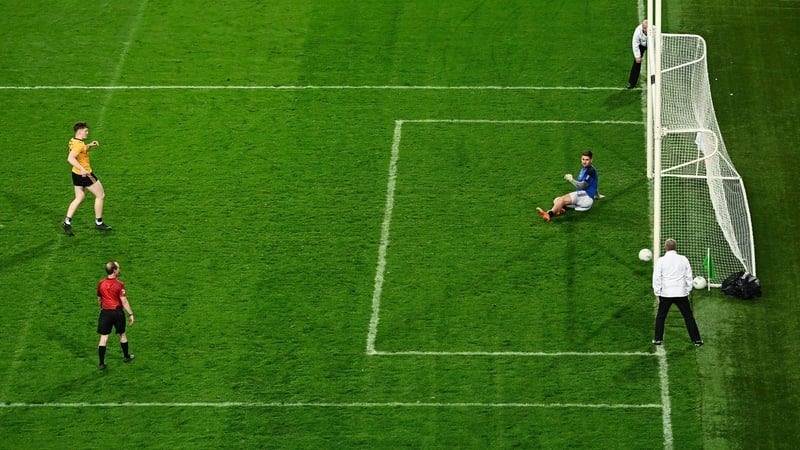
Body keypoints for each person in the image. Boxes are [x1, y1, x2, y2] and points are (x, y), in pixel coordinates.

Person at [61, 122, 112, 236]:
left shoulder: (74, 141)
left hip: (75, 173)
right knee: (100, 195)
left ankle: (67, 222)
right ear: (80, 132)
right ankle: (99, 222)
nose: (87, 133)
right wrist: (82, 169)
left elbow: (80, 150)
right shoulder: (78, 145)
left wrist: (89, 145)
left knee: (79, 197)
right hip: (85, 174)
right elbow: (70, 158)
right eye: (85, 131)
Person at [651, 239, 703, 346]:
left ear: (665, 248)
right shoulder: (683, 259)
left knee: (661, 317)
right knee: (688, 317)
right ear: (675, 247)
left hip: (666, 294)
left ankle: (657, 339)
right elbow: (689, 276)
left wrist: (657, 293)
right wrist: (687, 290)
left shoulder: (661, 261)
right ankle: (697, 340)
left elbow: (656, 278)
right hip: (681, 293)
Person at [536, 150, 599, 222]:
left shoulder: (591, 171)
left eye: (587, 160)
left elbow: (583, 186)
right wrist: (597, 195)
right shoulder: (586, 169)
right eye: (583, 159)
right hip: (582, 197)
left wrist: (571, 180)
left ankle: (549, 214)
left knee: (561, 200)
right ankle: (559, 210)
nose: (584, 162)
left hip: (585, 197)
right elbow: (595, 183)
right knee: (557, 199)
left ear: (591, 160)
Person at [97, 261, 135, 370]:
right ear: (114, 271)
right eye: (118, 268)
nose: (119, 269)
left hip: (105, 313)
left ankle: (101, 363)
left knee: (103, 338)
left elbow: (99, 298)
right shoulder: (119, 284)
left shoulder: (101, 283)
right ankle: (126, 356)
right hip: (117, 313)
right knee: (122, 334)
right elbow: (124, 301)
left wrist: (103, 306)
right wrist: (131, 314)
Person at [627, 19, 648, 89]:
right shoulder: (638, 31)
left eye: (646, 28)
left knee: (655, 63)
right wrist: (637, 56)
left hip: (652, 45)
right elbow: (635, 43)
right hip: (641, 45)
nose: (644, 29)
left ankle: (656, 80)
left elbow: (659, 43)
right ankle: (631, 82)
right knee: (636, 63)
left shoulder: (655, 31)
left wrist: (657, 55)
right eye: (644, 28)